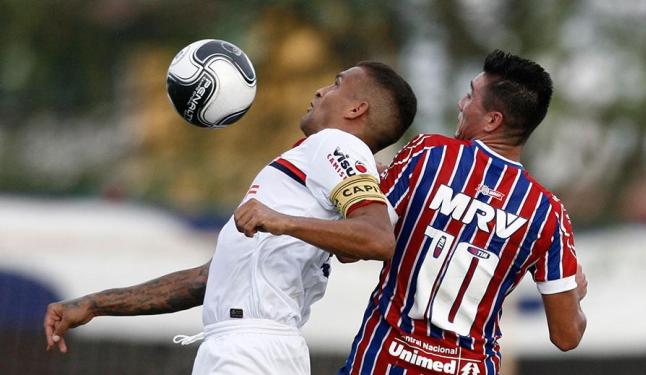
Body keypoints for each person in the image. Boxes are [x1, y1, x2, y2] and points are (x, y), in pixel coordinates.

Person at [44, 61, 418, 375]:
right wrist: (94, 304)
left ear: (357, 109)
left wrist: (280, 220)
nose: (321, 90)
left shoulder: (337, 144)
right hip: (241, 347)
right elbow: (206, 279)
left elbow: (377, 237)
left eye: (336, 84)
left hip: (253, 351)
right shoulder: (310, 164)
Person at [337, 50, 587, 375]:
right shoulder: (546, 213)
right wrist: (576, 297)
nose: (461, 103)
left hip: (382, 362)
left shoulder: (427, 155)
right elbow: (567, 336)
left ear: (492, 120)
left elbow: (349, 251)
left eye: (470, 95)